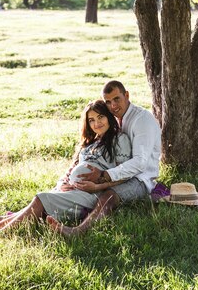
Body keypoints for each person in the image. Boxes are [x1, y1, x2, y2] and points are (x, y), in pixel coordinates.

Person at [0, 99, 131, 244]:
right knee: (38, 204)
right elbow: (73, 169)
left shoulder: (120, 139)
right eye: (91, 120)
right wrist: (65, 182)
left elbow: (123, 173)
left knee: (40, 199)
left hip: (90, 195)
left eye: (100, 117)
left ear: (109, 117)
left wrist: (96, 184)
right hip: (73, 190)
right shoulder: (92, 142)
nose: (96, 123)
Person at [47, 79, 161, 237]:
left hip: (139, 179)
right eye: (108, 102)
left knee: (110, 195)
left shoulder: (141, 120)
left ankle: (78, 231)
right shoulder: (117, 119)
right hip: (119, 174)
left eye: (117, 99)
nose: (113, 106)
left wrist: (103, 176)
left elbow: (140, 163)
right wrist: (66, 181)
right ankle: (28, 212)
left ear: (126, 95)